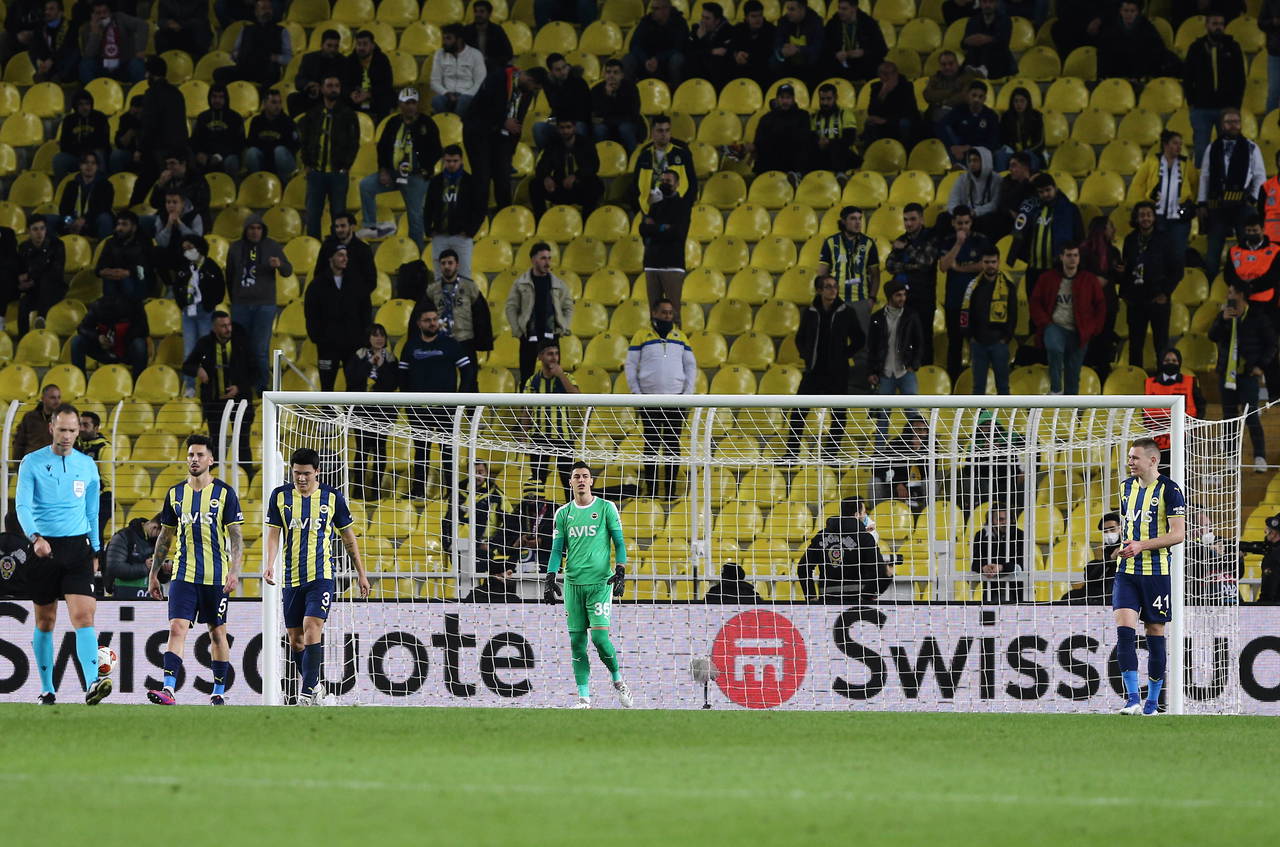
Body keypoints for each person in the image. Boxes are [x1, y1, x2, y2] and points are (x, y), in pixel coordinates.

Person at [16, 402, 109, 705]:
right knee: (45, 621)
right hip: (44, 549)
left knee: (84, 616)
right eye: (63, 429)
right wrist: (35, 538)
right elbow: (22, 507)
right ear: (51, 428)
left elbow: (93, 511)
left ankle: (93, 684)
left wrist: (96, 549)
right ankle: (47, 689)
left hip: (77, 548)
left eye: (73, 430)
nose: (68, 435)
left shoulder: (87, 465)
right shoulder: (31, 462)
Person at [144, 434, 244, 706]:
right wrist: (154, 574)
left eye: (200, 455)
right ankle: (168, 689)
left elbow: (235, 536)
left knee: (216, 632)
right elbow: (165, 537)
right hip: (183, 574)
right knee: (177, 628)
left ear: (211, 460)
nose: (194, 459)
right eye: (190, 455)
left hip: (215, 576)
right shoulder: (175, 494)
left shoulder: (224, 493)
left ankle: (219, 691)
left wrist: (234, 570)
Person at [265, 447, 370, 706]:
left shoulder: (332, 498)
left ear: (318, 473)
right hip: (291, 578)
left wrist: (362, 574)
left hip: (321, 575)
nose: (301, 479)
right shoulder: (279, 496)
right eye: (297, 473)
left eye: (307, 474)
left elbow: (348, 538)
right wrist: (269, 564)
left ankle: (306, 693)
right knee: (296, 640)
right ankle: (317, 689)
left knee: (313, 628)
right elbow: (274, 534)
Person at [543, 461, 633, 710]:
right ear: (570, 482)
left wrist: (621, 570)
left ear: (591, 481)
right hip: (573, 584)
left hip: (600, 583)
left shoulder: (606, 508)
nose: (581, 480)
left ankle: (618, 680)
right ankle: (584, 698)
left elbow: (620, 543)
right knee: (576, 642)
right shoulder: (562, 513)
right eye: (576, 477)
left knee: (600, 639)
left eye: (585, 476)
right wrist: (550, 577)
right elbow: (557, 550)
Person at [1114, 437, 1187, 715]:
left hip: (1156, 572)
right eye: (1129, 457)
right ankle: (1132, 699)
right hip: (1127, 572)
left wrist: (1141, 545)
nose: (1129, 462)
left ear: (1152, 460)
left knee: (1154, 632)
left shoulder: (1170, 490)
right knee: (1124, 632)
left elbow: (1178, 534)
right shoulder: (1125, 489)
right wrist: (1121, 547)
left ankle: (1153, 703)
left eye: (1134, 458)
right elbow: (1128, 527)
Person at [398, 304, 478, 497]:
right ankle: (418, 491)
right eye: (427, 320)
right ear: (419, 323)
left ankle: (452, 492)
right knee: (421, 452)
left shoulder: (450, 344)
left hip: (445, 409)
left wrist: (460, 398)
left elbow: (468, 371)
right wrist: (409, 404)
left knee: (448, 452)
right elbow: (402, 375)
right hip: (419, 410)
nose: (432, 323)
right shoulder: (411, 346)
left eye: (435, 319)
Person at [625, 299, 696, 499]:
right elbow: (630, 365)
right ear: (654, 313)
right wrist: (637, 394)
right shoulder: (641, 335)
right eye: (663, 312)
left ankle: (671, 492)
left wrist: (687, 395)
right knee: (651, 446)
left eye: (669, 313)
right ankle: (653, 491)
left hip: (676, 402)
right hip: (649, 401)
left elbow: (691, 366)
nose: (667, 316)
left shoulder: (680, 336)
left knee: (673, 446)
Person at [356, 87, 442, 248]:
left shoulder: (427, 123)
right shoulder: (393, 122)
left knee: (415, 217)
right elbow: (382, 148)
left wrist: (425, 168)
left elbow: (437, 150)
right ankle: (370, 225)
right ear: (400, 104)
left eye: (413, 103)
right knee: (366, 185)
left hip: (415, 176)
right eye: (406, 103)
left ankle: (416, 251)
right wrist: (383, 170)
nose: (410, 106)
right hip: (393, 173)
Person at [788, 275, 860, 460]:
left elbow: (860, 339)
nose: (832, 290)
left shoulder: (847, 312)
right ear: (819, 290)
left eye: (835, 286)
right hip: (814, 370)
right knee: (798, 411)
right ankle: (791, 453)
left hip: (837, 373)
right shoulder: (810, 312)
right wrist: (807, 356)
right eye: (828, 287)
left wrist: (843, 355)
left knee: (838, 415)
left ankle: (831, 455)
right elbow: (800, 338)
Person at [1209, 282, 1276, 470]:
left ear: (1240, 295)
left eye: (1230, 292)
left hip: (1247, 375)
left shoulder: (1257, 317)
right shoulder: (1224, 314)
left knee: (1251, 415)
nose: (1227, 295)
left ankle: (1259, 457)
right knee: (1229, 416)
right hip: (1226, 375)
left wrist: (1261, 365)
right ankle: (1231, 458)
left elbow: (1271, 344)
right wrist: (1222, 319)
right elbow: (1212, 337)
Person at [464, 65, 547, 211]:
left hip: (501, 137)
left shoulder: (526, 92)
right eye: (534, 88)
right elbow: (479, 109)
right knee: (482, 179)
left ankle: (505, 214)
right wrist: (502, 121)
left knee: (503, 179)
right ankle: (478, 218)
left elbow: (517, 121)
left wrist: (511, 149)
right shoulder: (498, 78)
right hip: (478, 133)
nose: (534, 92)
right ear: (529, 79)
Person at [1198, 107, 1266, 280]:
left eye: (1236, 121)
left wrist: (1252, 199)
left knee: (1247, 245)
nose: (1233, 125)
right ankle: (1211, 281)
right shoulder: (1213, 148)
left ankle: (1247, 279)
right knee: (1214, 248)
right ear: (1222, 125)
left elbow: (1259, 176)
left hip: (1243, 203)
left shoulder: (1251, 147)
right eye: (1229, 122)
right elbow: (1205, 176)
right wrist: (1202, 202)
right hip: (1218, 205)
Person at [182, 311, 256, 468]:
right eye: (223, 326)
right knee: (215, 443)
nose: (228, 329)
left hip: (240, 401)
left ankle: (247, 477)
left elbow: (256, 372)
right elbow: (187, 365)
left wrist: (239, 387)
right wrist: (198, 370)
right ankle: (214, 479)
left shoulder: (242, 343)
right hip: (214, 403)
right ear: (214, 327)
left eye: (229, 325)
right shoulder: (205, 343)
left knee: (242, 442)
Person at [226, 214, 292, 391]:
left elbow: (288, 271)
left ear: (263, 230)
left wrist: (280, 264)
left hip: (265, 305)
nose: (255, 232)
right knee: (240, 349)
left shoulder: (272, 246)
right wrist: (236, 299)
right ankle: (242, 385)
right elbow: (229, 276)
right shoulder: (235, 248)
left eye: (258, 228)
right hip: (241, 305)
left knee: (260, 350)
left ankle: (262, 386)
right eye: (251, 228)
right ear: (245, 230)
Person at [1029, 243, 1105, 395]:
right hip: (1055, 326)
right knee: (1054, 348)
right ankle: (1056, 389)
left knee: (1073, 376)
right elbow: (1035, 301)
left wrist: (1093, 328)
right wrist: (1044, 322)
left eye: (1075, 255)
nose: (1072, 259)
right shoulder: (1047, 278)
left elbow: (1100, 304)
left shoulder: (1089, 280)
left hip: (1079, 332)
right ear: (1061, 257)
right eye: (1069, 255)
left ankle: (1071, 414)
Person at [298, 75, 360, 239]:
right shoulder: (313, 113)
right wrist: (307, 164)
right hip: (316, 173)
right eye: (330, 85)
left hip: (337, 173)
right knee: (312, 216)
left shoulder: (348, 114)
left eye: (337, 86)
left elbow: (354, 143)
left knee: (338, 217)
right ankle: (314, 249)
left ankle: (337, 250)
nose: (333, 89)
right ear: (322, 88)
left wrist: (346, 166)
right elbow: (305, 140)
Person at [505, 241, 576, 384]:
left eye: (549, 258)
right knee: (526, 376)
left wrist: (563, 326)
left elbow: (568, 306)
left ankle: (552, 406)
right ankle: (527, 407)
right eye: (543, 258)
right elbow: (511, 307)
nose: (547, 262)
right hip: (528, 336)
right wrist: (518, 331)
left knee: (554, 377)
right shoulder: (521, 283)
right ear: (533, 260)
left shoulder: (558, 284)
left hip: (551, 336)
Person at [1121, 202, 1181, 368]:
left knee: (1161, 344)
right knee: (1135, 345)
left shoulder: (1165, 239)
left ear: (1154, 217)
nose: (1145, 218)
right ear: (1136, 218)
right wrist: (1125, 294)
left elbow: (1177, 270)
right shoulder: (1130, 240)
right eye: (1142, 215)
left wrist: (1165, 293)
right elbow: (1127, 268)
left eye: (1148, 214)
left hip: (1158, 298)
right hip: (1135, 300)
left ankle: (1163, 383)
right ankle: (1136, 386)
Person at [305, 247, 373, 392]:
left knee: (356, 386)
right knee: (327, 387)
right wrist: (318, 338)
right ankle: (327, 416)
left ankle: (356, 416)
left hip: (353, 344)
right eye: (340, 255)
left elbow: (366, 310)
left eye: (346, 255)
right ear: (330, 258)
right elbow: (311, 314)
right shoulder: (317, 285)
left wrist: (363, 338)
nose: (344, 258)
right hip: (327, 346)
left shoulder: (357, 282)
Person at [798, 497, 889, 602]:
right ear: (856, 514)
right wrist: (867, 596)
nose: (865, 516)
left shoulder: (821, 536)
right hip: (857, 602)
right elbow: (878, 570)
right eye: (864, 513)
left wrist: (811, 597)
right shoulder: (864, 538)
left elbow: (803, 567)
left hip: (827, 601)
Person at [343, 324, 397, 500]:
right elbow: (352, 379)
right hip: (361, 411)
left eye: (382, 335)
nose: (379, 338)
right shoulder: (358, 356)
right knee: (362, 450)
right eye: (375, 335)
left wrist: (382, 367)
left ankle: (376, 491)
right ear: (368, 338)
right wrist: (369, 365)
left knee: (380, 450)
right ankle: (358, 490)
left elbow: (392, 384)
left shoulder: (390, 358)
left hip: (384, 412)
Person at [1010, 173, 1084, 300]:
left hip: (1056, 269)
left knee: (1054, 310)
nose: (1045, 194)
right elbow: (1009, 202)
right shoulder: (1032, 208)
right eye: (1041, 192)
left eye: (1048, 190)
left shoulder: (1069, 209)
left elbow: (1079, 237)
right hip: (1033, 269)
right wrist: (1027, 184)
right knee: (1034, 309)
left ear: (1055, 188)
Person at [938, 205, 991, 380]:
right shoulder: (947, 240)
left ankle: (979, 382)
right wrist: (958, 244)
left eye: (966, 223)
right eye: (960, 223)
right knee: (955, 344)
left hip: (975, 302)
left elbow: (985, 265)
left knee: (977, 343)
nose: (963, 227)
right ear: (953, 223)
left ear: (971, 222)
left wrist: (960, 268)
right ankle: (953, 383)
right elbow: (944, 266)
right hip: (954, 301)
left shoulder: (981, 240)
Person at [1184, 13, 1246, 161]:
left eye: (1221, 24)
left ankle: (1227, 182)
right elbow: (1187, 78)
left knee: (1228, 149)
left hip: (1227, 108)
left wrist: (1236, 106)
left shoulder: (1233, 47)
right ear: (1207, 25)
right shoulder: (1196, 48)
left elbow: (1240, 79)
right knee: (1201, 150)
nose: (1218, 27)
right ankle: (1201, 182)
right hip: (1201, 108)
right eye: (1214, 24)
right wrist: (1192, 103)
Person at [866, 280, 922, 441]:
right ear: (890, 296)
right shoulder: (877, 317)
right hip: (885, 372)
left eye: (904, 295)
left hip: (905, 371)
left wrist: (914, 366)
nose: (902, 298)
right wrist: (872, 371)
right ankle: (880, 455)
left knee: (913, 414)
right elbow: (872, 347)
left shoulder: (911, 315)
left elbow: (919, 343)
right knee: (883, 417)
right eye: (898, 295)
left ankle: (917, 451)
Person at [1128, 130, 1195, 264]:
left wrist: (1189, 201)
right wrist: (1141, 205)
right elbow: (1138, 184)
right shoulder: (1152, 162)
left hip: (1179, 218)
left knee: (1177, 253)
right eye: (1175, 143)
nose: (1179, 147)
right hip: (1157, 216)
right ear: (1165, 144)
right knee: (1155, 253)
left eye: (1180, 144)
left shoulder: (1186, 164)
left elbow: (1195, 184)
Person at [884, 203, 939, 365]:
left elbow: (925, 263)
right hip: (902, 300)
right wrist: (909, 261)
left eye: (913, 219)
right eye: (906, 220)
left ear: (921, 219)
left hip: (923, 299)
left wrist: (904, 250)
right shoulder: (902, 238)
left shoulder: (931, 237)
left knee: (923, 341)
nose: (908, 223)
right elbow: (889, 265)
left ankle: (926, 381)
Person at [959, 247, 1017, 395]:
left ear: (998, 263)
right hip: (978, 343)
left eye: (993, 262)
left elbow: (1013, 315)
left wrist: (1006, 338)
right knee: (978, 388)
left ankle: (1004, 418)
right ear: (982, 263)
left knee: (1003, 387)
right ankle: (979, 418)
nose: (990, 265)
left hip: (999, 343)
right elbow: (966, 313)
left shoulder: (1008, 287)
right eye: (987, 262)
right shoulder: (973, 287)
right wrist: (970, 337)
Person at [817, 205, 879, 344]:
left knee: (862, 344)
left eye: (860, 219)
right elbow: (822, 274)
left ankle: (861, 367)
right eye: (853, 219)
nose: (858, 222)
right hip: (837, 301)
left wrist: (872, 299)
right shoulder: (831, 242)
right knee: (834, 342)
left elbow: (875, 275)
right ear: (844, 221)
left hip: (861, 301)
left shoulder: (868, 243)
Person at [425, 145, 484, 281]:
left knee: (463, 275)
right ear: (443, 161)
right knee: (440, 277)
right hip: (440, 235)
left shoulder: (471, 182)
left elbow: (480, 209)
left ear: (461, 160)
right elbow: (428, 207)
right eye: (448, 161)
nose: (451, 164)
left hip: (462, 236)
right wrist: (429, 229)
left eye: (455, 161)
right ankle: (442, 302)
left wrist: (470, 231)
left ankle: (462, 302)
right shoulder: (436, 181)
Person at [444, 461, 511, 575]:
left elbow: (510, 524)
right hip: (460, 547)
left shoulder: (497, 495)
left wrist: (492, 545)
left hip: (484, 547)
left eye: (480, 472)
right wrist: (448, 545)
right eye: (474, 472)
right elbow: (447, 521)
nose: (477, 476)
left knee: (483, 584)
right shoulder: (457, 494)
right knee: (462, 583)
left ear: (487, 473)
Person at [640, 169, 692, 317]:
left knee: (672, 313)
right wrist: (663, 228)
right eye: (662, 181)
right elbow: (642, 228)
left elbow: (677, 233)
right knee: (654, 313)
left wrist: (654, 228)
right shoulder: (654, 204)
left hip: (672, 265)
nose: (664, 184)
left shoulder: (682, 205)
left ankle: (676, 340)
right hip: (651, 263)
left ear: (677, 184)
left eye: (668, 181)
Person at [531, 118, 602, 217]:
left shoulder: (586, 143)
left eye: (568, 127)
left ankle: (586, 222)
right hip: (560, 185)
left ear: (574, 128)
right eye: (562, 128)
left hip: (580, 186)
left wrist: (576, 176)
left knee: (594, 184)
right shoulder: (553, 144)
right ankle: (541, 220)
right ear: (557, 129)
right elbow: (541, 166)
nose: (565, 131)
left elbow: (594, 166)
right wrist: (546, 177)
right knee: (535, 184)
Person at [212, 0, 290, 90]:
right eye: (263, 9)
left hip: (267, 69)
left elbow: (289, 58)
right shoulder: (246, 29)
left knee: (271, 75)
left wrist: (276, 58)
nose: (267, 11)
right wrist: (235, 55)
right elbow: (235, 52)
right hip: (246, 68)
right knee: (219, 73)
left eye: (269, 9)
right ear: (256, 12)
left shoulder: (281, 31)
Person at [1143, 347, 1206, 452]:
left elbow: (1200, 405)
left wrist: (1194, 427)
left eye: (1174, 361)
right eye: (1167, 361)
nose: (1170, 363)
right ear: (1161, 362)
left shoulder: (1190, 382)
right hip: (1156, 436)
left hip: (1184, 435)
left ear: (1179, 362)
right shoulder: (1149, 383)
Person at [71, 294, 149, 378]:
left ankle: (138, 382)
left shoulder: (135, 306)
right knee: (77, 341)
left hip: (126, 350)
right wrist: (98, 337)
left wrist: (118, 339)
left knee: (140, 344)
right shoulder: (97, 306)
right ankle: (80, 380)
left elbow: (144, 331)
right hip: (103, 349)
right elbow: (82, 328)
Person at [633, 115, 696, 215]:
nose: (664, 134)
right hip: (651, 210)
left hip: (677, 210)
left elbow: (692, 183)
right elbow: (636, 185)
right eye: (660, 131)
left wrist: (684, 207)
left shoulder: (681, 153)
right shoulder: (644, 155)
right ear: (652, 132)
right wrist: (642, 209)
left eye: (667, 130)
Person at [1100, 1, 1175, 82]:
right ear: (1121, 11)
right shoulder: (1112, 28)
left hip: (1141, 73)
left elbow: (1157, 49)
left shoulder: (1146, 27)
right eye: (1126, 11)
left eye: (1132, 11)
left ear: (1137, 13)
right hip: (1117, 73)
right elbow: (1105, 51)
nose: (1129, 14)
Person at [16, 216, 66, 336]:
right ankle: (23, 339)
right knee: (23, 304)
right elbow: (20, 271)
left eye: (42, 228)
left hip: (54, 289)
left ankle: (41, 319)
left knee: (46, 280)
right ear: (28, 231)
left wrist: (31, 276)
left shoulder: (57, 244)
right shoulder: (24, 247)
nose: (40, 233)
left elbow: (56, 271)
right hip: (34, 291)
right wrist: (21, 283)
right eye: (35, 229)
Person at [77, 0, 147, 84]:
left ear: (110, 12)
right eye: (98, 13)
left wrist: (140, 49)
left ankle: (140, 94)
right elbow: (88, 55)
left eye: (105, 12)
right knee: (85, 65)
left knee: (137, 64)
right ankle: (93, 93)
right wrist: (95, 34)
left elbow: (142, 25)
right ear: (92, 15)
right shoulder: (87, 28)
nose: (102, 15)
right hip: (102, 67)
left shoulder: (120, 18)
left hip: (123, 64)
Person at [749, 83, 812, 176]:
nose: (785, 101)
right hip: (772, 159)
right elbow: (759, 141)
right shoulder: (766, 118)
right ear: (777, 99)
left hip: (793, 158)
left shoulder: (802, 115)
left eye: (788, 97)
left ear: (793, 99)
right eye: (782, 97)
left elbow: (804, 139)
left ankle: (796, 175)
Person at [1060, 512, 1123, 605]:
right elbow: (1091, 579)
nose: (1109, 533)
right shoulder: (1101, 557)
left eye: (1112, 529)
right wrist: (1109, 559)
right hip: (1099, 594)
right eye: (1105, 531)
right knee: (1068, 597)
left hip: (1117, 594)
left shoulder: (1129, 550)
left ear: (1120, 529)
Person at [144, 151, 211, 235]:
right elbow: (154, 204)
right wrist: (160, 185)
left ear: (183, 163)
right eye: (167, 164)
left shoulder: (197, 179)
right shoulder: (167, 180)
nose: (169, 167)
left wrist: (176, 216)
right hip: (166, 219)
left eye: (172, 163)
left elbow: (201, 206)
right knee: (139, 221)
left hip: (190, 221)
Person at [535, 52, 592, 149]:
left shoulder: (578, 81)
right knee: (538, 127)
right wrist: (551, 121)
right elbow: (554, 106)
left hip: (577, 120)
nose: (563, 72)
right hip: (558, 120)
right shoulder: (549, 84)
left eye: (564, 67)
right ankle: (546, 157)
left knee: (578, 128)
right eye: (558, 70)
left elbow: (583, 108)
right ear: (551, 72)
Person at [624, 0, 687, 85]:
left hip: (667, 62)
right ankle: (627, 92)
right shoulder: (646, 21)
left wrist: (658, 59)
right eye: (652, 8)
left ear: (666, 10)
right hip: (647, 62)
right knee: (628, 59)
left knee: (677, 59)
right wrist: (645, 60)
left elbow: (680, 47)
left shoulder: (679, 22)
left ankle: (675, 92)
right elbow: (634, 45)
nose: (652, 11)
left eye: (656, 9)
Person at [51, 152, 113, 239]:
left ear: (97, 167)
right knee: (49, 219)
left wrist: (84, 220)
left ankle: (105, 248)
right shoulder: (71, 185)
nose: (89, 166)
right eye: (86, 163)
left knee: (105, 218)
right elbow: (64, 209)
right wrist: (70, 221)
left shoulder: (105, 185)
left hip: (92, 222)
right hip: (72, 221)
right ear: (80, 166)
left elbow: (103, 208)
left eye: (93, 163)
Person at [970, 505, 1025, 603]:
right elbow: (975, 564)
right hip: (990, 590)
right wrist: (984, 568)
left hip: (1015, 591)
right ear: (991, 520)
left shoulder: (1020, 535)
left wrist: (1001, 567)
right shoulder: (981, 536)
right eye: (1000, 519)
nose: (1004, 522)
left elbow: (1020, 565)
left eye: (1006, 519)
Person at [53, 89, 109, 183]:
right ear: (75, 106)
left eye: (87, 104)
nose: (85, 107)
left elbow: (103, 142)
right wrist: (82, 150)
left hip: (95, 155)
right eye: (81, 104)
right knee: (59, 159)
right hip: (76, 156)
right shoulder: (68, 120)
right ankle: (61, 188)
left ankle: (100, 185)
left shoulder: (100, 118)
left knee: (99, 153)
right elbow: (64, 145)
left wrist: (82, 147)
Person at [430, 23, 486, 116]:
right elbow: (434, 81)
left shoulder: (475, 55)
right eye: (444, 38)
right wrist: (447, 93)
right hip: (448, 94)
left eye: (448, 38)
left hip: (468, 95)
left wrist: (464, 95)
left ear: (459, 40)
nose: (444, 42)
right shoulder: (439, 54)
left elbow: (480, 83)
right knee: (436, 100)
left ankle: (457, 125)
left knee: (464, 101)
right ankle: (445, 124)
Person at [822, 0, 886, 81]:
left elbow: (882, 49)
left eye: (844, 9)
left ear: (854, 8)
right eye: (839, 8)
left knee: (877, 65)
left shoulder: (868, 23)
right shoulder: (833, 24)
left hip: (863, 63)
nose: (840, 12)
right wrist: (835, 54)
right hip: (840, 63)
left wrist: (863, 52)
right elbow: (824, 46)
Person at [946, 147, 1003, 239]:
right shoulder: (963, 178)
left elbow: (995, 204)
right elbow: (953, 201)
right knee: (943, 217)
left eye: (975, 160)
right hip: (963, 215)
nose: (972, 164)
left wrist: (976, 212)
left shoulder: (997, 179)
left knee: (990, 220)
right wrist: (958, 213)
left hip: (983, 215)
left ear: (985, 161)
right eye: (970, 160)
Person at [288, 29, 345, 117]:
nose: (332, 49)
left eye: (336, 46)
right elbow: (299, 81)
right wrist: (310, 84)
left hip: (332, 96)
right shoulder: (309, 58)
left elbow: (345, 84)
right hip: (312, 95)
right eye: (329, 46)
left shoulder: (343, 61)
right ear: (322, 45)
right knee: (293, 98)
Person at [590, 58, 643, 154]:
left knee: (625, 128)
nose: (611, 75)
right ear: (604, 75)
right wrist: (608, 95)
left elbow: (632, 114)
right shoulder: (596, 90)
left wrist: (607, 119)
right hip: (607, 125)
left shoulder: (631, 88)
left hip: (627, 124)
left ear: (622, 75)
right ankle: (600, 160)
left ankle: (634, 159)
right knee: (599, 129)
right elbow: (596, 114)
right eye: (608, 72)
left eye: (615, 72)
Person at [244, 88, 299, 180]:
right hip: (264, 159)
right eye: (273, 102)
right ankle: (257, 182)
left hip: (283, 162)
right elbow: (251, 143)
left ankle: (286, 185)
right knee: (251, 152)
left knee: (279, 151)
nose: (278, 106)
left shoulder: (287, 122)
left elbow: (292, 146)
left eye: (279, 102)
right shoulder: (257, 121)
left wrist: (268, 145)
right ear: (265, 104)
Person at [940, 82, 1000, 166]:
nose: (976, 100)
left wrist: (968, 148)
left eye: (980, 96)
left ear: (985, 98)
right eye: (974, 95)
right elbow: (942, 126)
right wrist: (953, 146)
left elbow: (992, 143)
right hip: (959, 151)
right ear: (968, 96)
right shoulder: (959, 110)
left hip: (981, 153)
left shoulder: (991, 116)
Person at [316, 212, 376, 295]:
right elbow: (318, 273)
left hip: (355, 300)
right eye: (337, 226)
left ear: (352, 227)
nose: (339, 230)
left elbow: (371, 280)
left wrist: (356, 297)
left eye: (343, 226)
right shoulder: (327, 247)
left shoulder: (363, 249)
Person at [75, 410, 112, 540]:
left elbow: (106, 480)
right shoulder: (74, 444)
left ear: (96, 428)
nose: (81, 428)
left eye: (86, 425)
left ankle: (98, 559)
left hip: (102, 497)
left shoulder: (104, 448)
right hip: (79, 495)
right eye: (80, 424)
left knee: (94, 533)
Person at [103, 514, 159, 600]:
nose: (163, 539)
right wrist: (145, 567)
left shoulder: (155, 541)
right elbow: (115, 568)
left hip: (147, 595)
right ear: (154, 527)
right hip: (122, 594)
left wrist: (165, 571)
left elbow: (158, 576)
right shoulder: (122, 537)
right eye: (161, 535)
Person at [343, 29, 394, 120]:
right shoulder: (350, 60)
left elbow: (387, 84)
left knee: (385, 99)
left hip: (375, 97)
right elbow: (345, 83)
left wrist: (369, 94)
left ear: (372, 45)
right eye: (359, 44)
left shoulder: (382, 60)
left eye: (365, 44)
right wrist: (351, 94)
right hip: (356, 97)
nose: (361, 47)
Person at [809, 83, 860, 174]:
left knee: (836, 146)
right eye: (822, 99)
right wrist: (819, 142)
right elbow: (811, 138)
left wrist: (829, 142)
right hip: (824, 156)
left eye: (828, 99)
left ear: (836, 97)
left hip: (844, 155)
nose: (825, 103)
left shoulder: (845, 114)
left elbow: (849, 139)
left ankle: (840, 175)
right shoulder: (815, 117)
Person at [771, 0, 824, 84]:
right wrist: (782, 49)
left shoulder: (815, 22)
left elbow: (817, 48)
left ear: (802, 9)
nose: (788, 13)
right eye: (787, 9)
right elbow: (778, 42)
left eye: (792, 9)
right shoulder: (783, 21)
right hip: (789, 63)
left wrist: (798, 49)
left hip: (809, 65)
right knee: (773, 60)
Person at [686, 2, 735, 89]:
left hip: (718, 73)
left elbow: (723, 54)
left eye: (707, 18)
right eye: (702, 17)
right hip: (700, 68)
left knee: (715, 61)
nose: (703, 21)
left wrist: (703, 40)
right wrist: (710, 51)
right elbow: (689, 51)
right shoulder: (696, 28)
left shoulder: (728, 31)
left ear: (717, 21)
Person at [994, 86, 1044, 171]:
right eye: (1016, 101)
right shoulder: (1006, 116)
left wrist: (1025, 152)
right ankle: (1002, 179)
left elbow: (1040, 142)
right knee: (1000, 155)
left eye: (1022, 101)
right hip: (1011, 151)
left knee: (1028, 157)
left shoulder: (1036, 116)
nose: (1019, 104)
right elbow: (1001, 138)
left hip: (1031, 151)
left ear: (1028, 102)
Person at [729, 0, 776, 89]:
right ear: (746, 17)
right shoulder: (738, 29)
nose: (758, 19)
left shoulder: (771, 30)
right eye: (754, 16)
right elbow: (731, 47)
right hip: (741, 67)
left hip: (762, 69)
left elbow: (767, 52)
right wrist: (736, 55)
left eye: (760, 15)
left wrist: (748, 56)